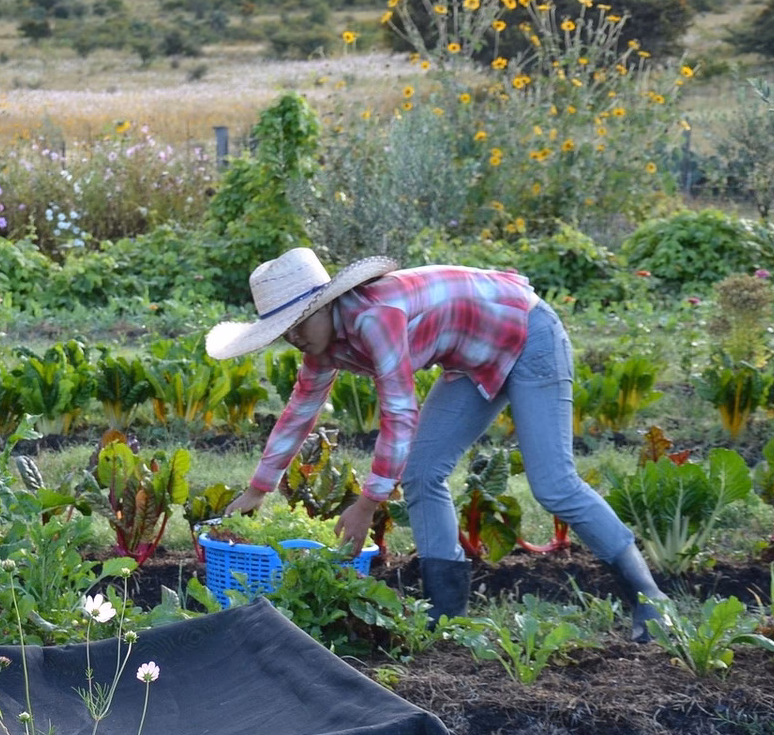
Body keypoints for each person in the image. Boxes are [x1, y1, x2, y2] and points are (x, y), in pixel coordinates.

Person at [206, 247, 666, 640]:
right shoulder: (320, 345)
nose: (294, 335)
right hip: (471, 357)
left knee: (554, 484)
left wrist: (368, 503)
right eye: (283, 328)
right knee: (422, 473)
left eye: (300, 321)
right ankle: (447, 619)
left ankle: (651, 599)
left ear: (328, 303)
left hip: (528, 334)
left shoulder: (374, 317)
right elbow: (300, 411)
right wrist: (258, 489)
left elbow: (399, 412)